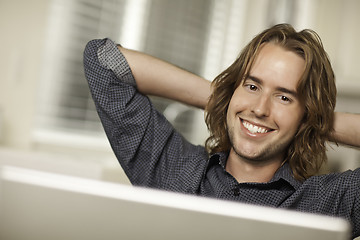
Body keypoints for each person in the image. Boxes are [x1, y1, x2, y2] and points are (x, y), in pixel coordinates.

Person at [84, 24, 360, 238]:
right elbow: (103, 61)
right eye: (252, 86)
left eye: (284, 97)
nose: (260, 109)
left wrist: (317, 122)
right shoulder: (175, 171)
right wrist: (224, 98)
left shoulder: (327, 203)